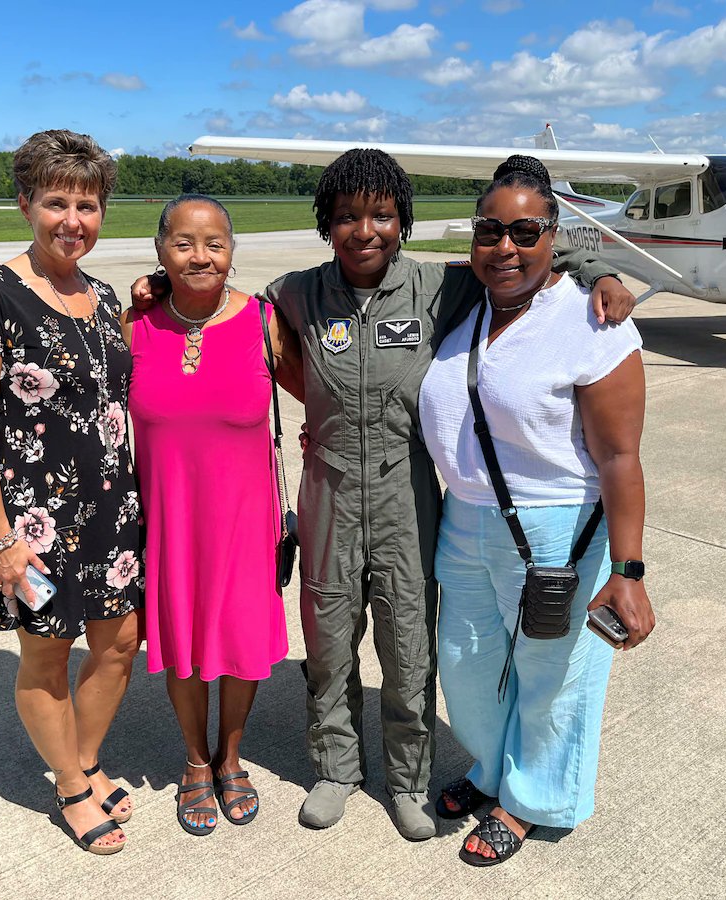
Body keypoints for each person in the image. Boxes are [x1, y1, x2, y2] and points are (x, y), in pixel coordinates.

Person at [131, 149, 636, 840]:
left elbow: (522, 261)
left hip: (409, 492)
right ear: (326, 225)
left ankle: (407, 779)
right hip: (330, 491)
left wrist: (595, 268)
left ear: (403, 222)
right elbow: (215, 301)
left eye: (382, 215)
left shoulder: (440, 286)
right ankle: (337, 769)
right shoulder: (295, 294)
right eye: (346, 217)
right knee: (330, 641)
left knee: (410, 645)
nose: (364, 231)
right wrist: (155, 285)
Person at [418, 155, 655, 866]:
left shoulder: (591, 320)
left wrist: (628, 568)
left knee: (553, 677)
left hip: (554, 527)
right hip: (465, 520)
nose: (506, 247)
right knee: (466, 667)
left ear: (554, 235)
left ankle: (532, 801)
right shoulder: (463, 302)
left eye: (526, 231)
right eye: (491, 230)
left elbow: (620, 458)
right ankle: (494, 771)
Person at [0, 130, 142, 855]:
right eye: (56, 201)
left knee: (120, 645)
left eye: (87, 204)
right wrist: (2, 540)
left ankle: (85, 760)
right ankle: (69, 787)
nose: (73, 220)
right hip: (35, 524)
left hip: (114, 511)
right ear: (26, 202)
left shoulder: (105, 292)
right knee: (48, 655)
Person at [123, 194, 302, 836]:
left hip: (243, 521)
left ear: (232, 252)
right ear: (160, 249)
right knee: (183, 644)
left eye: (215, 244)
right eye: (184, 243)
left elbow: (322, 393)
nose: (200, 255)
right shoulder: (135, 326)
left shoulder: (263, 322)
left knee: (239, 639)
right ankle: (195, 760)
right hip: (170, 521)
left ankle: (231, 754)